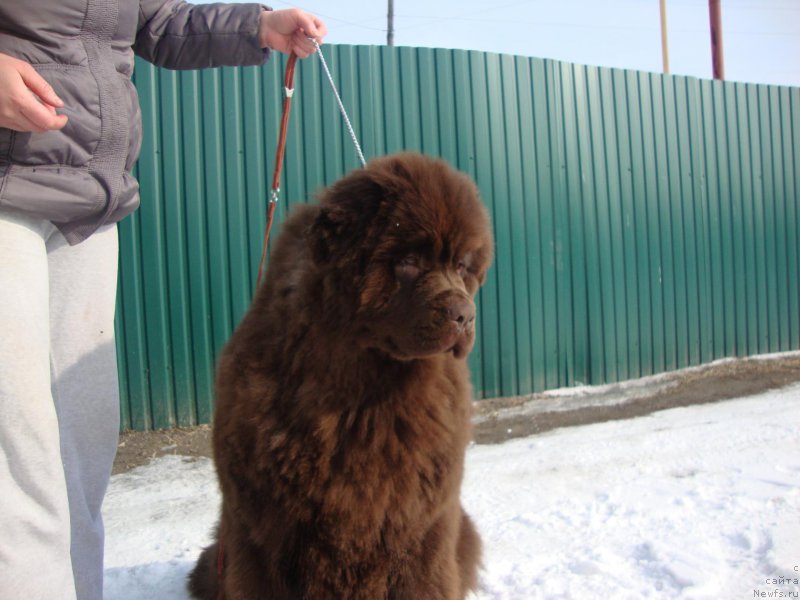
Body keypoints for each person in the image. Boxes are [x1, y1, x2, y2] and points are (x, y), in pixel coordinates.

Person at [0, 3, 326, 599]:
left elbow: (157, 18)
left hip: (85, 198)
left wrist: (256, 26)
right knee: (16, 446)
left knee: (82, 442)